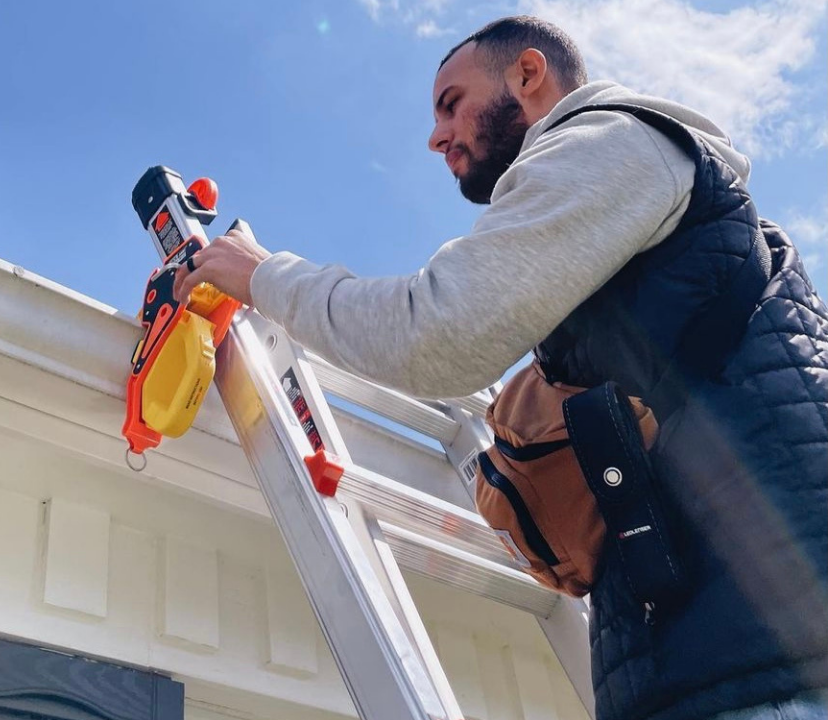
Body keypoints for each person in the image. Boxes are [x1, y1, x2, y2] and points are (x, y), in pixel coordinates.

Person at [173, 15, 828, 720]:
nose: (435, 136)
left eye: (451, 102)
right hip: (732, 648)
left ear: (527, 74)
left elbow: (437, 332)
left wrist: (265, 276)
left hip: (758, 664)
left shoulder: (612, 143)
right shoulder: (634, 207)